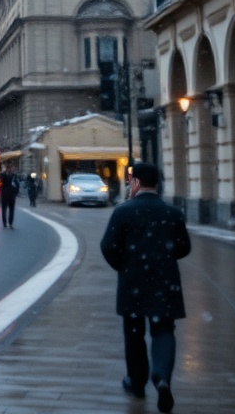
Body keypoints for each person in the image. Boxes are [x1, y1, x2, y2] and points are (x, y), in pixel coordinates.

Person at [100, 162, 190, 414]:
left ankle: (136, 382)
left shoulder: (123, 212)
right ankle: (161, 377)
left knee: (134, 333)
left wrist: (125, 265)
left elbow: (108, 246)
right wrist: (164, 258)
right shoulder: (172, 213)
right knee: (163, 330)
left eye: (131, 181)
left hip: (133, 283)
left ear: (136, 183)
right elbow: (184, 247)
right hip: (165, 282)